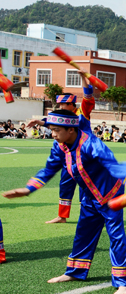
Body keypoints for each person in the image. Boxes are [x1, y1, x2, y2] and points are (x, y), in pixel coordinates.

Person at [3, 110, 126, 294]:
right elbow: (49, 169)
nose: (53, 134)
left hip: (110, 196)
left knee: (116, 236)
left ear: (71, 130)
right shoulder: (60, 146)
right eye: (51, 130)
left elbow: (113, 165)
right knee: (83, 233)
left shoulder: (91, 144)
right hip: (89, 197)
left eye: (56, 130)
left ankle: (122, 282)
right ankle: (74, 272)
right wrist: (29, 189)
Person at [27, 82, 96, 224]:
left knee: (86, 189)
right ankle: (62, 216)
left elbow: (88, 98)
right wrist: (39, 122)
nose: (60, 108)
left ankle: (88, 218)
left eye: (62, 105)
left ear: (71, 105)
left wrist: (84, 79)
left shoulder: (82, 113)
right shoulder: (62, 116)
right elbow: (52, 122)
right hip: (67, 157)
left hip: (83, 157)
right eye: (59, 105)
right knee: (65, 185)